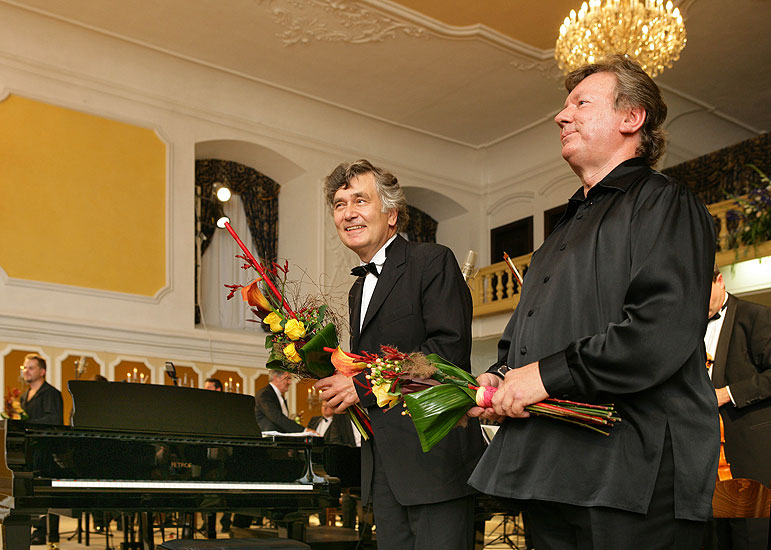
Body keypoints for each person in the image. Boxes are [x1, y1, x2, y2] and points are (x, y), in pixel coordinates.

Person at [468, 55, 719, 550]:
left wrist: (543, 376)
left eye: (581, 103)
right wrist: (501, 378)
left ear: (631, 118)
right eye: (564, 107)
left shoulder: (665, 202)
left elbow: (658, 333)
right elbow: (522, 338)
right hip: (550, 466)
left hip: (631, 471)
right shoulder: (558, 234)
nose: (562, 117)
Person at [315, 159, 485, 550]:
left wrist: (361, 385)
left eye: (360, 200)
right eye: (340, 205)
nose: (348, 213)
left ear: (391, 215)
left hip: (434, 459)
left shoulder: (432, 261)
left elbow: (446, 353)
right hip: (386, 469)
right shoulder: (357, 291)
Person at [704, 265, 771, 550]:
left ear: (720, 280)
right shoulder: (688, 326)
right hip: (704, 457)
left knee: (749, 538)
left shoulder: (756, 316)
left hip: (746, 451)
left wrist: (727, 393)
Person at [20, 354, 63, 549]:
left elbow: (53, 421)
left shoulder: (50, 393)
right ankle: (37, 530)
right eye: (24, 367)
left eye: (30, 367)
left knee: (48, 494)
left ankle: (50, 534)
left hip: (47, 451)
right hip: (30, 451)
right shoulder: (24, 395)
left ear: (42, 371)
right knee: (32, 494)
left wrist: (24, 424)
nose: (25, 370)